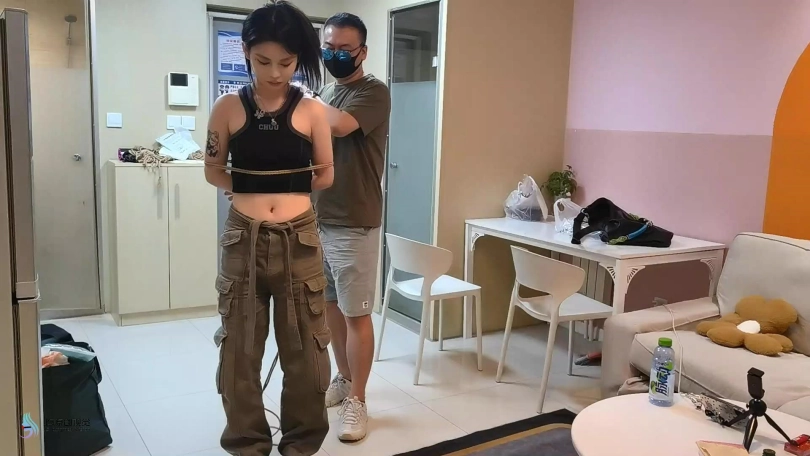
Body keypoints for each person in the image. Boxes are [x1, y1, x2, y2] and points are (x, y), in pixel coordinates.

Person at [204, 2, 334, 456]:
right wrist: (247, 188)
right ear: (245, 51)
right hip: (244, 238)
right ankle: (248, 445)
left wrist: (279, 188)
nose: (275, 73)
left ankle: (301, 446)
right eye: (263, 61)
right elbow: (213, 169)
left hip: (300, 237)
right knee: (238, 352)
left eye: (286, 62)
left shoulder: (313, 110)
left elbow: (325, 174)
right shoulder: (227, 107)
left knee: (305, 352)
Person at [309, 12, 391, 442]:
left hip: (355, 222)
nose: (335, 55)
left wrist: (297, 97)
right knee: (331, 308)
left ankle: (358, 399)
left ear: (363, 51)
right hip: (319, 218)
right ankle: (343, 378)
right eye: (328, 47)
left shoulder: (373, 92)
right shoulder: (326, 92)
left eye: (344, 49)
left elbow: (339, 125)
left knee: (356, 314)